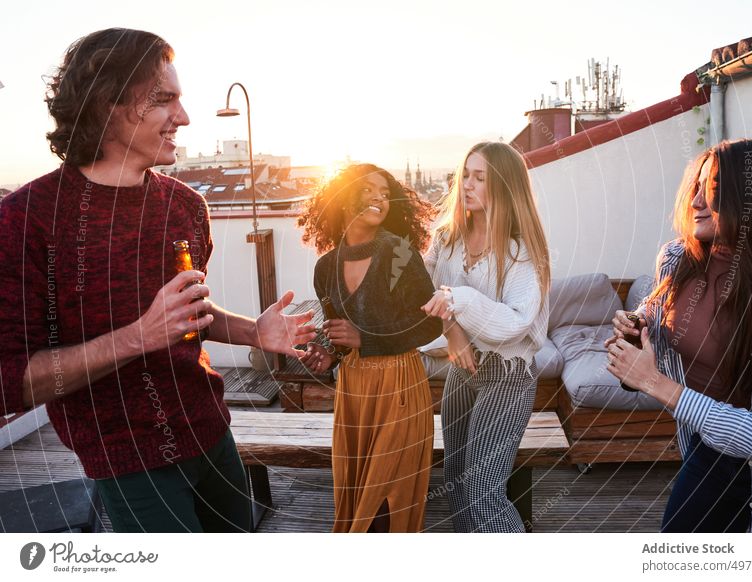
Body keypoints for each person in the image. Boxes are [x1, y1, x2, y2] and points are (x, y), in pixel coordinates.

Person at [0, 28, 316, 533]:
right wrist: (136, 338)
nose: (185, 118)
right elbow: (8, 382)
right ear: (107, 105)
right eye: (163, 100)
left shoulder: (186, 205)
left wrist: (254, 332)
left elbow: (189, 318)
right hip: (128, 459)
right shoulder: (26, 222)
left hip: (212, 433)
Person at [606, 138, 752, 533]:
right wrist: (637, 324)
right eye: (695, 186)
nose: (694, 201)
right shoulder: (679, 259)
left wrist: (655, 384)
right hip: (702, 443)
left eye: (711, 191)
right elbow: (660, 312)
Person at [297, 163, 442, 532]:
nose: (379, 197)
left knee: (386, 502)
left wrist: (367, 339)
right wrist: (330, 354)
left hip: (399, 387)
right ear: (344, 197)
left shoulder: (400, 254)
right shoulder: (325, 268)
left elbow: (430, 323)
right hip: (353, 391)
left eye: (384, 192)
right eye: (368, 190)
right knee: (355, 489)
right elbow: (338, 337)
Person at [421, 141, 550, 532]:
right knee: (456, 480)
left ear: (506, 186)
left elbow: (515, 324)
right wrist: (451, 328)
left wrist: (453, 301)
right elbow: (420, 292)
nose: (467, 185)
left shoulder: (522, 251)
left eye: (481, 177)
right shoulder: (446, 240)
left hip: (507, 376)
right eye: (465, 174)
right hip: (461, 372)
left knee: (481, 488)